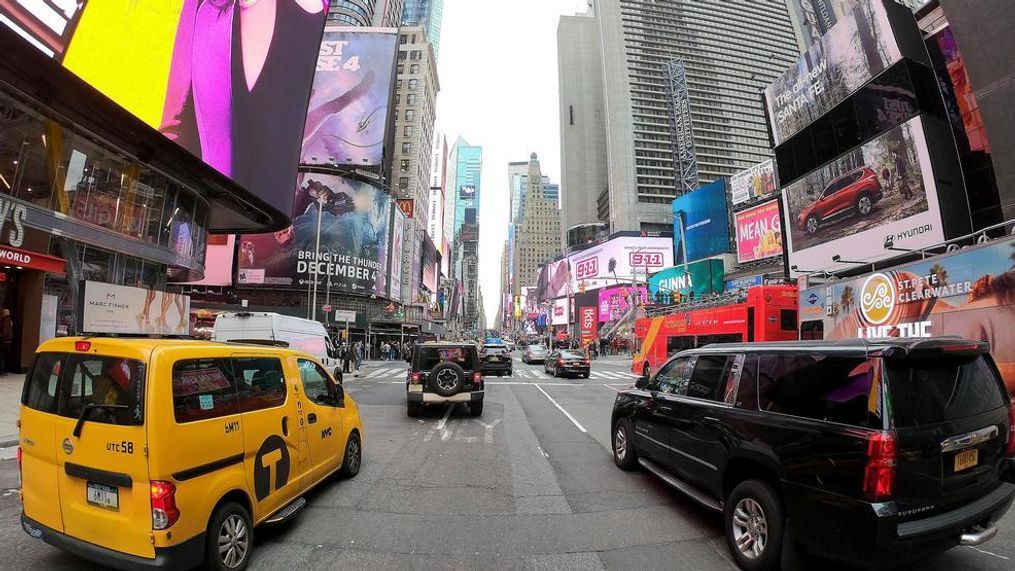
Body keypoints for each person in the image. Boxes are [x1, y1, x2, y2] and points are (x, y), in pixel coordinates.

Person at [0, 309, 12, 375]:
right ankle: (4, 371)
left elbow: (5, 331)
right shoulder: (10, 320)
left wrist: (1, 336)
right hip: (9, 342)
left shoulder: (6, 320)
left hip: (4, 341)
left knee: (2, 357)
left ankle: (2, 371)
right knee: (5, 357)